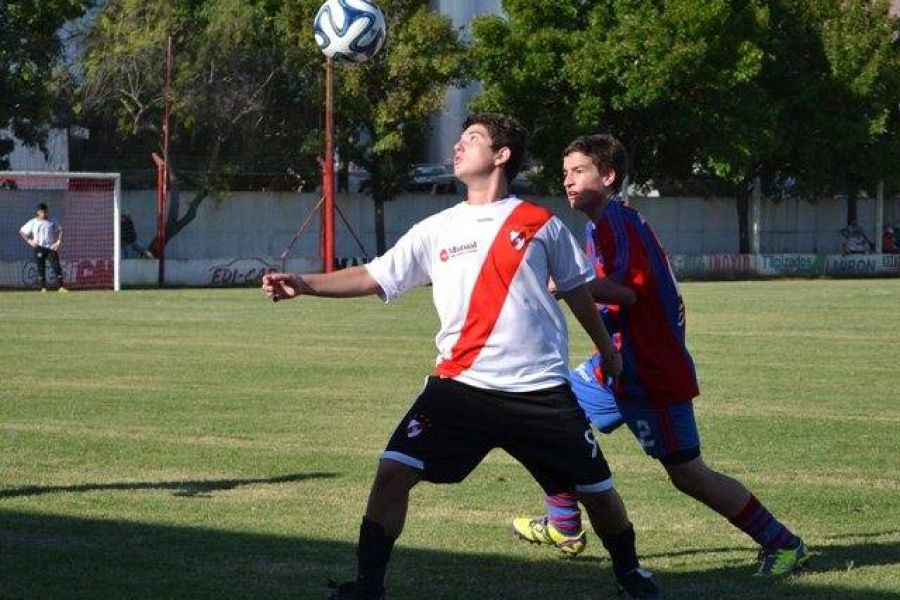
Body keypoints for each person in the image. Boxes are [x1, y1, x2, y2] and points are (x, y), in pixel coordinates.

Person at [263, 114, 663, 600]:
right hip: (459, 388)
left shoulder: (542, 225)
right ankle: (367, 587)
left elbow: (579, 295)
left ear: (501, 155)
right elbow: (374, 275)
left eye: (472, 139)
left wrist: (606, 352)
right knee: (392, 473)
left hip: (539, 391)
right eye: (459, 138)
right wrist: (305, 284)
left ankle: (630, 577)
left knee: (597, 493)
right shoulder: (437, 228)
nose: (457, 146)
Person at [511, 134, 808, 577]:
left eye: (578, 171)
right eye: (564, 173)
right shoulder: (601, 224)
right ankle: (564, 525)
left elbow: (627, 291)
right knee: (546, 418)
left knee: (687, 473)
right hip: (613, 366)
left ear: (607, 176)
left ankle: (782, 543)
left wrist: (563, 284)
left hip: (649, 372)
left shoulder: (615, 221)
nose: (568, 182)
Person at [19, 203, 67, 292]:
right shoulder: (33, 222)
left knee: (56, 266)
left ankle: (61, 287)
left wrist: (58, 242)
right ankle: (43, 288)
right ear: (38, 212)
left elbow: (60, 230)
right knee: (41, 267)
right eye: (41, 212)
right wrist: (29, 241)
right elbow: (22, 231)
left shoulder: (52, 221)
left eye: (45, 211)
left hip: (50, 248)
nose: (43, 213)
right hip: (39, 248)